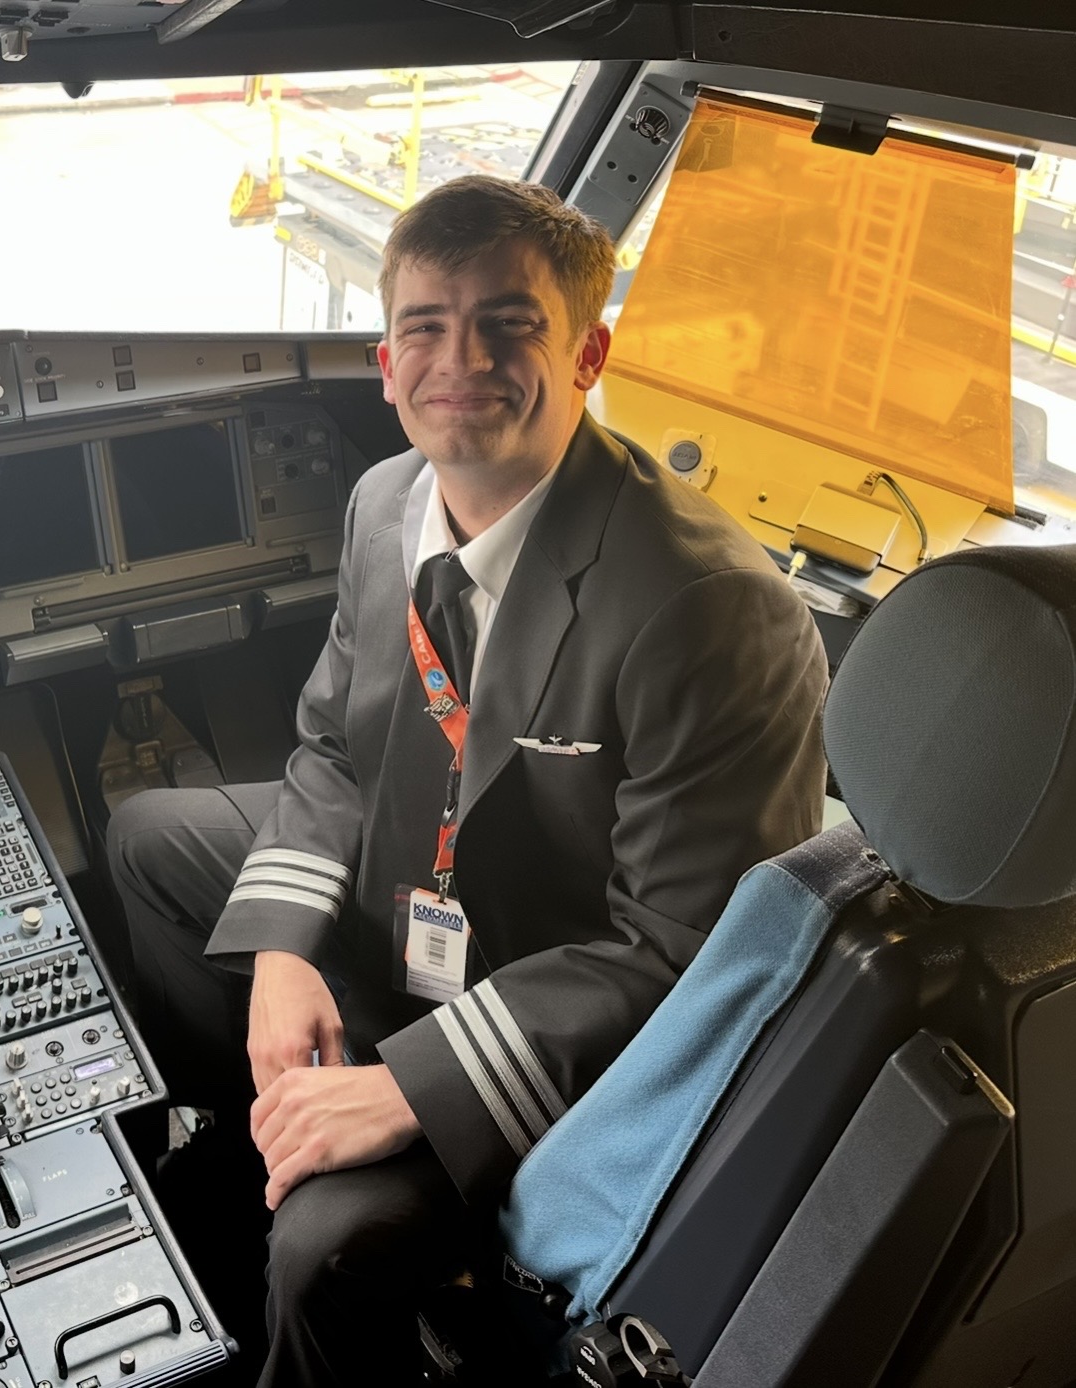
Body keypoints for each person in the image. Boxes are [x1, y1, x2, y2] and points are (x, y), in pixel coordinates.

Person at [107, 174, 829, 1386]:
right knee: (150, 843)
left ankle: (382, 1276)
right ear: (386, 365)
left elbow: (682, 958)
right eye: (427, 327)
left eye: (509, 323)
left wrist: (408, 1085)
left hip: (557, 1010)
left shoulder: (707, 608)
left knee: (320, 1254)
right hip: (414, 911)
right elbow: (333, 742)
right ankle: (258, 1132)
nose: (463, 360)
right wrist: (283, 951)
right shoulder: (384, 501)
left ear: (589, 351)